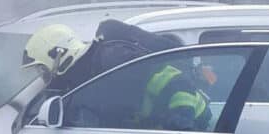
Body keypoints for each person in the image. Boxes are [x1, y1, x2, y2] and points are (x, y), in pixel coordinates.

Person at [22, 19, 182, 94]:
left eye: (43, 69)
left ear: (59, 54)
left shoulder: (110, 61)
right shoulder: (86, 70)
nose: (43, 77)